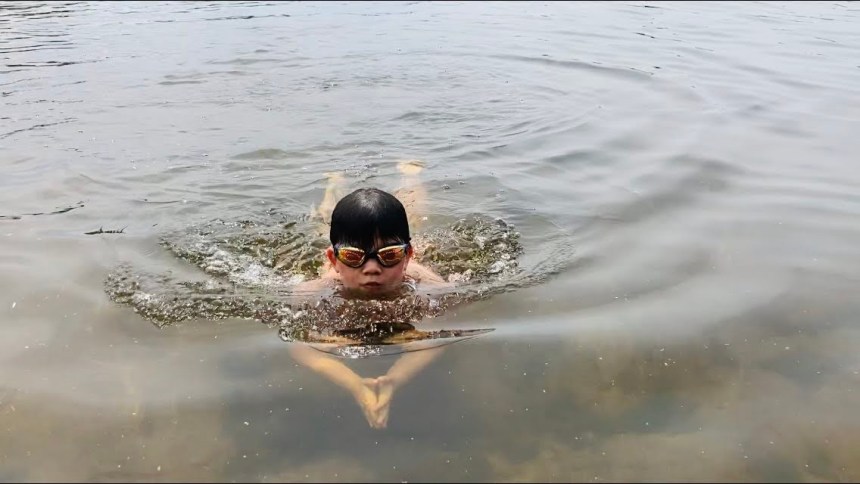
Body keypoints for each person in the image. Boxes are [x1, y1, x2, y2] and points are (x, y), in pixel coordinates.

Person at [288, 161, 451, 429]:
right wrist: (355, 383)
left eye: (390, 255)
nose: (372, 268)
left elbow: (436, 339)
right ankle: (333, 181)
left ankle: (411, 175)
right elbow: (302, 348)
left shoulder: (431, 287)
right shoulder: (313, 292)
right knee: (323, 226)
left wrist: (393, 379)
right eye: (354, 257)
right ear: (334, 260)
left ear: (408, 257)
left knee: (414, 218)